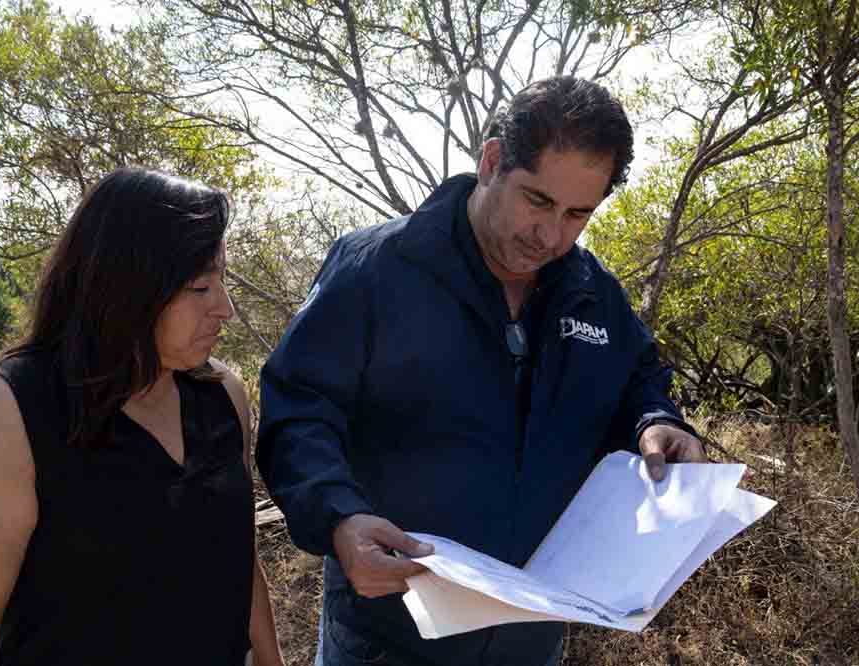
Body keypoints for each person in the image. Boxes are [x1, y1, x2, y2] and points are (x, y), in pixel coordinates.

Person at [256, 76, 706, 666]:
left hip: (532, 637)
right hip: (387, 638)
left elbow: (636, 382)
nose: (551, 235)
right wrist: (339, 519)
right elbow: (298, 411)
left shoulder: (593, 293)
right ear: (492, 161)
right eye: (538, 201)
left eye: (578, 214)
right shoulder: (374, 271)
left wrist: (655, 420)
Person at [0, 167, 284, 666]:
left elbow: (237, 559)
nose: (224, 307)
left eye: (221, 280)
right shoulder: (13, 410)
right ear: (128, 287)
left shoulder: (221, 396)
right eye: (201, 288)